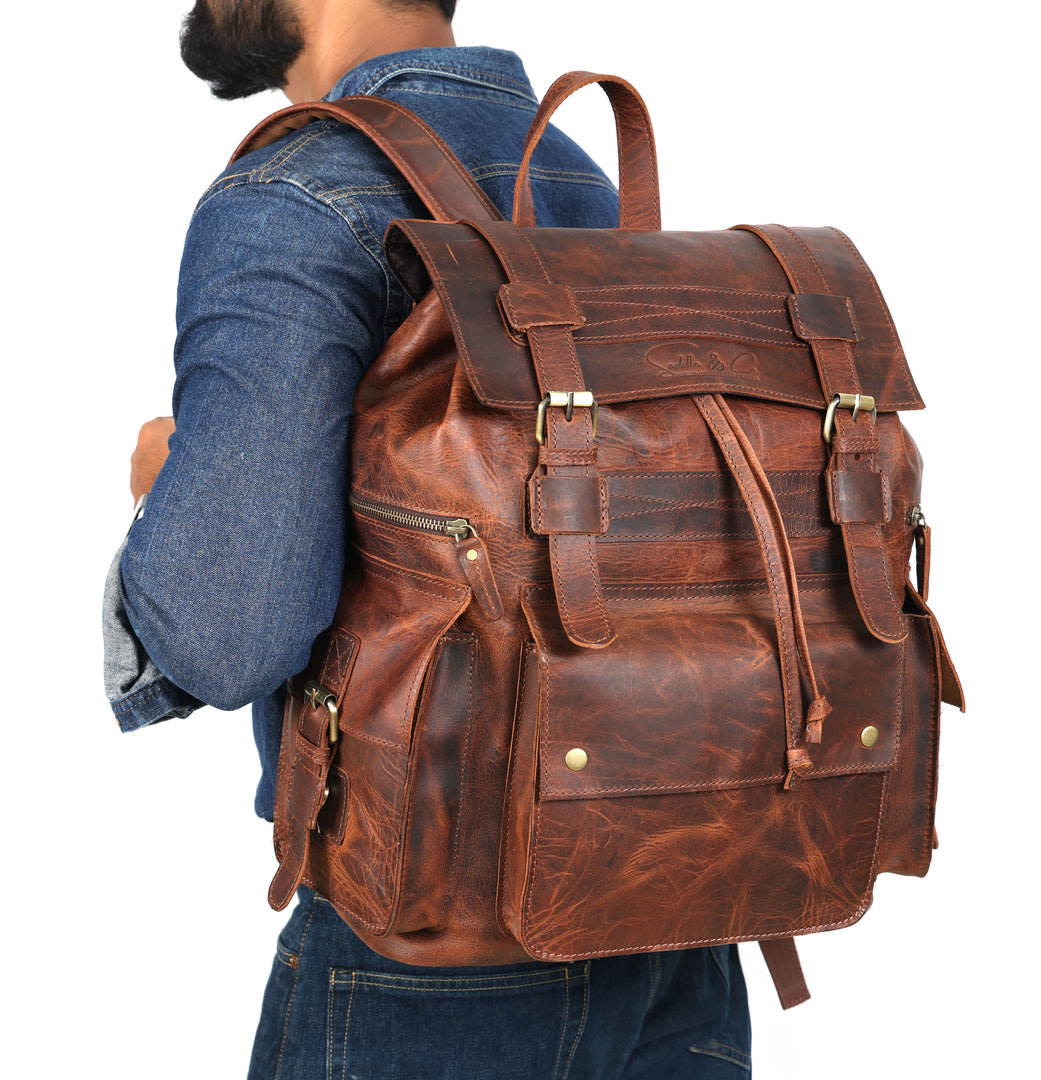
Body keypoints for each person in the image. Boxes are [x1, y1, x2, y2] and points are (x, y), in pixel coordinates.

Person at [104, 1, 753, 1076]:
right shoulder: (583, 176)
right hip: (677, 920)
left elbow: (226, 630)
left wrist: (168, 488)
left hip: (431, 959)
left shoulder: (293, 196)